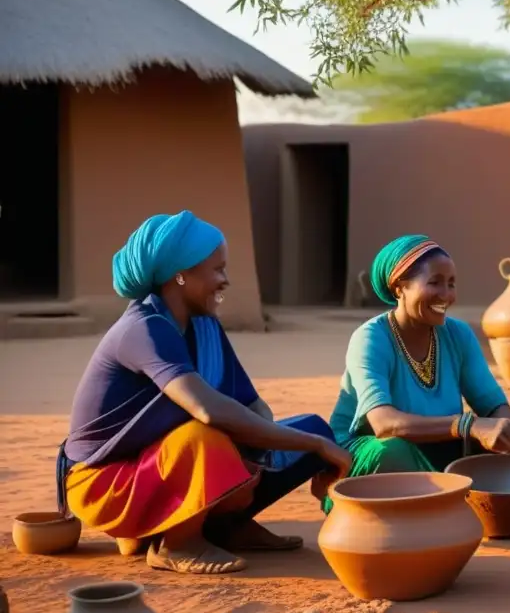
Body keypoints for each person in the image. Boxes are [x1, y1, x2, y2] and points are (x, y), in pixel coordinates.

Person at [57, 211, 352, 575]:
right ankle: (175, 543)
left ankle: (226, 527)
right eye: (217, 270)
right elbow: (209, 409)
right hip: (107, 484)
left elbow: (250, 405)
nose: (225, 281)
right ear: (180, 275)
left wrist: (256, 454)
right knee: (209, 437)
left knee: (313, 427)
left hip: (162, 465)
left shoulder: (203, 326)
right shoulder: (145, 328)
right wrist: (310, 447)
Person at [324, 234, 510, 513]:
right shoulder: (371, 338)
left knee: (496, 449)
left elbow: (492, 404)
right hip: (366, 456)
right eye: (434, 282)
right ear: (400, 289)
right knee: (393, 451)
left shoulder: (457, 335)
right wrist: (468, 425)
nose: (446, 295)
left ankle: (443, 503)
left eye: (451, 284)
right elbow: (384, 424)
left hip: (438, 446)